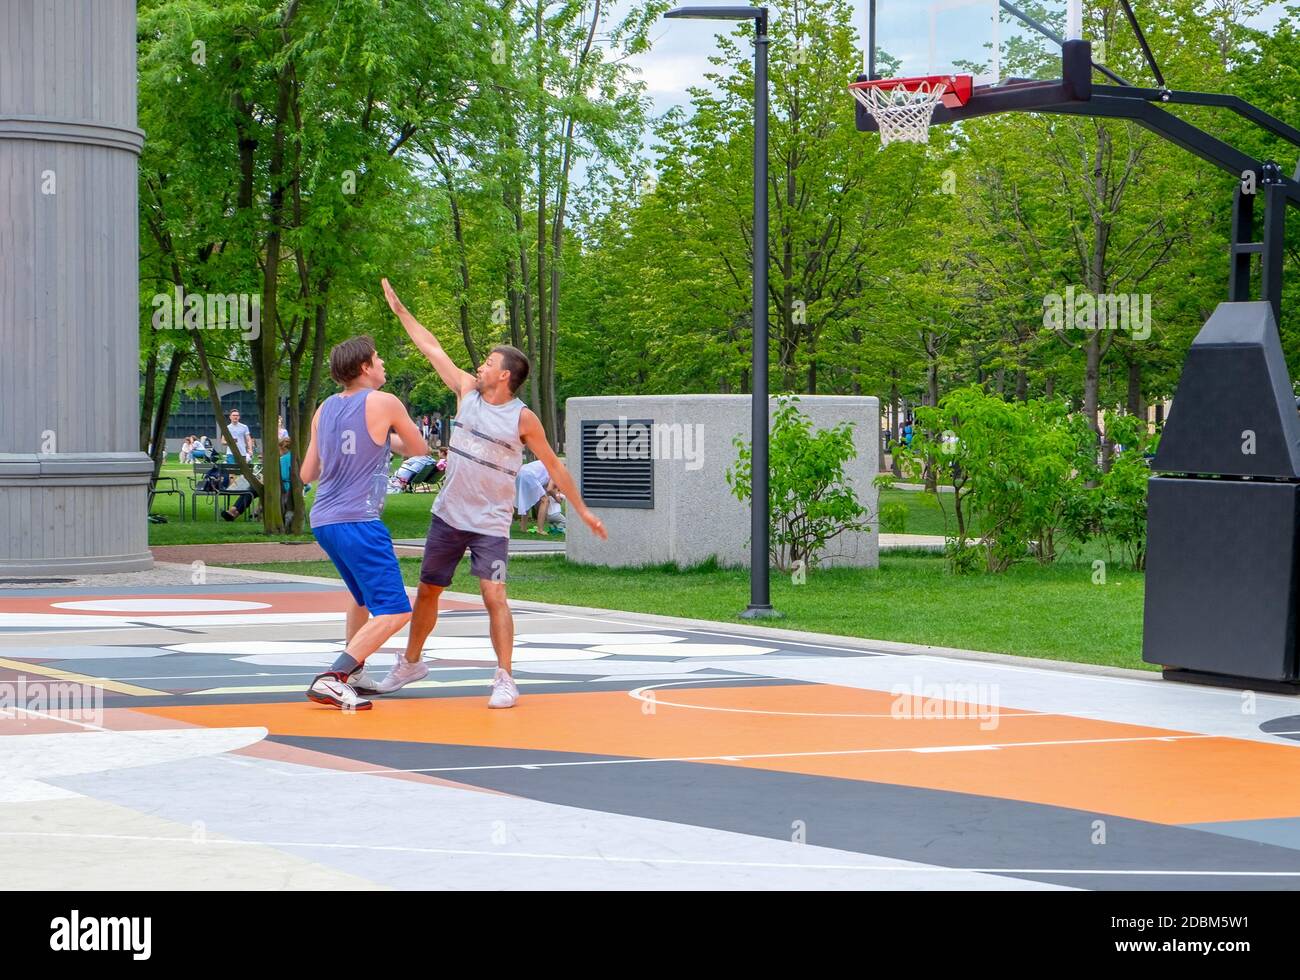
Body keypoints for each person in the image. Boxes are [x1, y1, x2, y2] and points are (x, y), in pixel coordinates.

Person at [379, 278, 607, 707]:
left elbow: (556, 466)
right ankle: (410, 663)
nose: (479, 367)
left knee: (493, 594)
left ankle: (505, 676)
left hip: (490, 525)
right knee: (428, 590)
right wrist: (401, 310)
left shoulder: (524, 419)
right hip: (447, 516)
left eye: (487, 363)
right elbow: (433, 349)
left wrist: (583, 511)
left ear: (504, 375)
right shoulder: (466, 392)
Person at [299, 335, 429, 710]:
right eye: (378, 357)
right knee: (396, 609)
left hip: (324, 519)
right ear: (364, 368)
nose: (383, 362)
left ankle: (353, 672)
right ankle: (334, 676)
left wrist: (375, 441)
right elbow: (419, 449)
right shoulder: (385, 402)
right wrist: (385, 437)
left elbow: (309, 472)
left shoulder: (324, 409)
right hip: (359, 519)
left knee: (360, 599)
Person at [515, 458, 562, 534]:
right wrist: (557, 499)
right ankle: (540, 530)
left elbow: (545, 488)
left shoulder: (549, 465)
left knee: (527, 500)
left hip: (520, 473)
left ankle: (523, 528)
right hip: (529, 475)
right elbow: (549, 489)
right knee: (545, 500)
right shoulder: (557, 470)